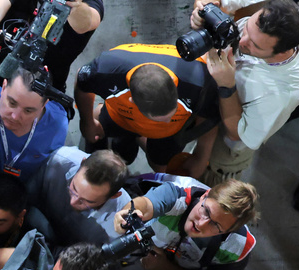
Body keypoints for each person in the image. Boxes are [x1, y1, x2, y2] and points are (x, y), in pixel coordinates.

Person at [186, 0, 299, 183]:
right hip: (207, 92)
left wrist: (227, 86)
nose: (242, 42)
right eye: (247, 28)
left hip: (225, 145)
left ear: (283, 52)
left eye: (255, 45)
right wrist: (202, 11)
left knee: (207, 181)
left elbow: (237, 134)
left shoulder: (284, 92)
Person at [74, 43, 221, 174]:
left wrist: (202, 156)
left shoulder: (200, 81)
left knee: (161, 169)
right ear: (132, 100)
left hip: (170, 132)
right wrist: (87, 122)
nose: (167, 120)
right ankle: (131, 136)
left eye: (172, 113)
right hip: (121, 116)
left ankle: (139, 139)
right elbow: (82, 81)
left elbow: (209, 116)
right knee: (106, 143)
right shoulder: (106, 68)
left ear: (174, 86)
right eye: (160, 119)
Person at [113, 178, 259, 270]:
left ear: (230, 230)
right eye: (206, 211)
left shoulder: (237, 247)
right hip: (143, 254)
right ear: (204, 195)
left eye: (215, 225)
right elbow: (145, 204)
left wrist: (166, 268)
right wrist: (128, 212)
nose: (201, 223)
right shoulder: (177, 195)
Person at [28, 148, 129, 253]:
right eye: (73, 188)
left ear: (114, 196)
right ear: (82, 163)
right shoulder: (59, 161)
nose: (73, 202)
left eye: (87, 201)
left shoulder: (121, 219)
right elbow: (26, 198)